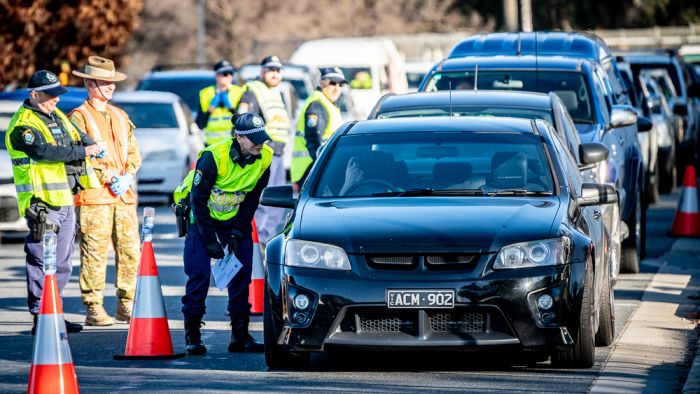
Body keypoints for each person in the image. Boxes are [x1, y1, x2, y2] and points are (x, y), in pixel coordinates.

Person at [4, 70, 104, 334]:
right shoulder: (23, 125)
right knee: (41, 260)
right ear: (34, 95)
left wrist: (91, 144)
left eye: (58, 95)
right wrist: (84, 151)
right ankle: (41, 316)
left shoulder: (56, 116)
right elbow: (45, 152)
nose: (56, 101)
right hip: (43, 203)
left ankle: (54, 312)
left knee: (62, 263)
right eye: (50, 96)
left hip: (65, 200)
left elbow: (77, 135)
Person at [180, 113, 272, 355]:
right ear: (239, 138)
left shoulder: (265, 158)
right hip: (202, 219)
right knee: (199, 273)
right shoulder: (213, 157)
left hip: (234, 219)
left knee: (241, 275)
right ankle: (193, 334)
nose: (260, 144)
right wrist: (210, 240)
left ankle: (239, 335)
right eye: (254, 139)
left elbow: (252, 199)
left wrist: (235, 233)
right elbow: (198, 201)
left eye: (262, 138)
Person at [69, 55, 142, 326]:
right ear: (90, 83)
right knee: (95, 252)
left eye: (112, 82)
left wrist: (129, 174)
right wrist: (108, 175)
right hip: (94, 196)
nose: (111, 87)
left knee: (130, 250)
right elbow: (79, 156)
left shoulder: (120, 115)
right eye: (104, 82)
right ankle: (94, 306)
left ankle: (126, 304)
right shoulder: (79, 117)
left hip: (122, 195)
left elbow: (133, 151)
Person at [237, 55, 290, 247]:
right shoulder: (253, 91)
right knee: (261, 200)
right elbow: (243, 123)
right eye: (270, 70)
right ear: (262, 72)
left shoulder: (276, 92)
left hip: (278, 153)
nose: (275, 74)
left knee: (276, 201)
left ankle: (267, 240)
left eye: (278, 70)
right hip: (262, 153)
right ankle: (256, 240)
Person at [291, 67, 346, 186]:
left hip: (316, 168)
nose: (337, 88)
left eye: (340, 84)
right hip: (312, 169)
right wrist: (321, 165)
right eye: (333, 83)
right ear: (322, 83)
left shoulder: (328, 104)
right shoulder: (318, 105)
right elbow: (313, 140)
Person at [196, 60, 244, 146]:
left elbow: (243, 121)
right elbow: (200, 124)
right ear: (216, 75)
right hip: (212, 144)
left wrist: (232, 109)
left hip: (233, 143)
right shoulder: (205, 93)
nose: (229, 76)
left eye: (231, 73)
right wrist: (210, 110)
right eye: (225, 74)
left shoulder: (239, 92)